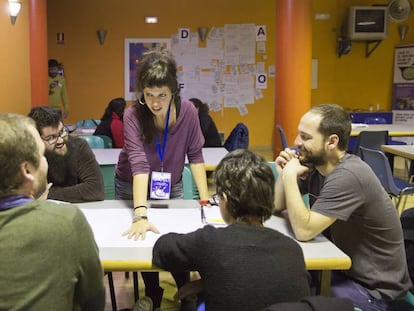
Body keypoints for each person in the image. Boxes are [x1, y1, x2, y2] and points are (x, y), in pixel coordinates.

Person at [274, 104, 412, 311]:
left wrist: (289, 176)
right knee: (280, 281)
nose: (296, 142)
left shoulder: (348, 175)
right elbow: (276, 206)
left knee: (289, 295)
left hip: (374, 292)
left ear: (332, 141)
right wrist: (282, 170)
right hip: (343, 273)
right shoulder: (317, 166)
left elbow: (304, 230)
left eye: (305, 137)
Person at [152, 149, 311, 311]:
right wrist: (208, 282)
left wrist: (207, 279)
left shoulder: (210, 242)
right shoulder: (293, 250)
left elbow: (162, 249)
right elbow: (256, 277)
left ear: (225, 200)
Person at [115, 50, 210, 310]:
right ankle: (153, 291)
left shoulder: (188, 111)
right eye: (149, 95)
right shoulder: (133, 115)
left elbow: (196, 156)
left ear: (173, 92)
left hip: (172, 181)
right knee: (144, 237)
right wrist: (140, 214)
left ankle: (184, 291)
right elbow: (139, 165)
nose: (155, 103)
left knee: (176, 238)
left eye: (162, 95)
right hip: (132, 184)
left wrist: (204, 200)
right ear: (142, 93)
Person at [0, 113, 105, 310]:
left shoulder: (78, 148)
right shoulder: (67, 222)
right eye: (40, 155)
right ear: (27, 171)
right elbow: (94, 301)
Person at [28, 106, 104, 203]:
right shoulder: (28, 154)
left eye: (62, 132)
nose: (60, 140)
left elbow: (95, 189)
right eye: (51, 137)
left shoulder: (79, 146)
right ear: (36, 139)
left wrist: (47, 193)